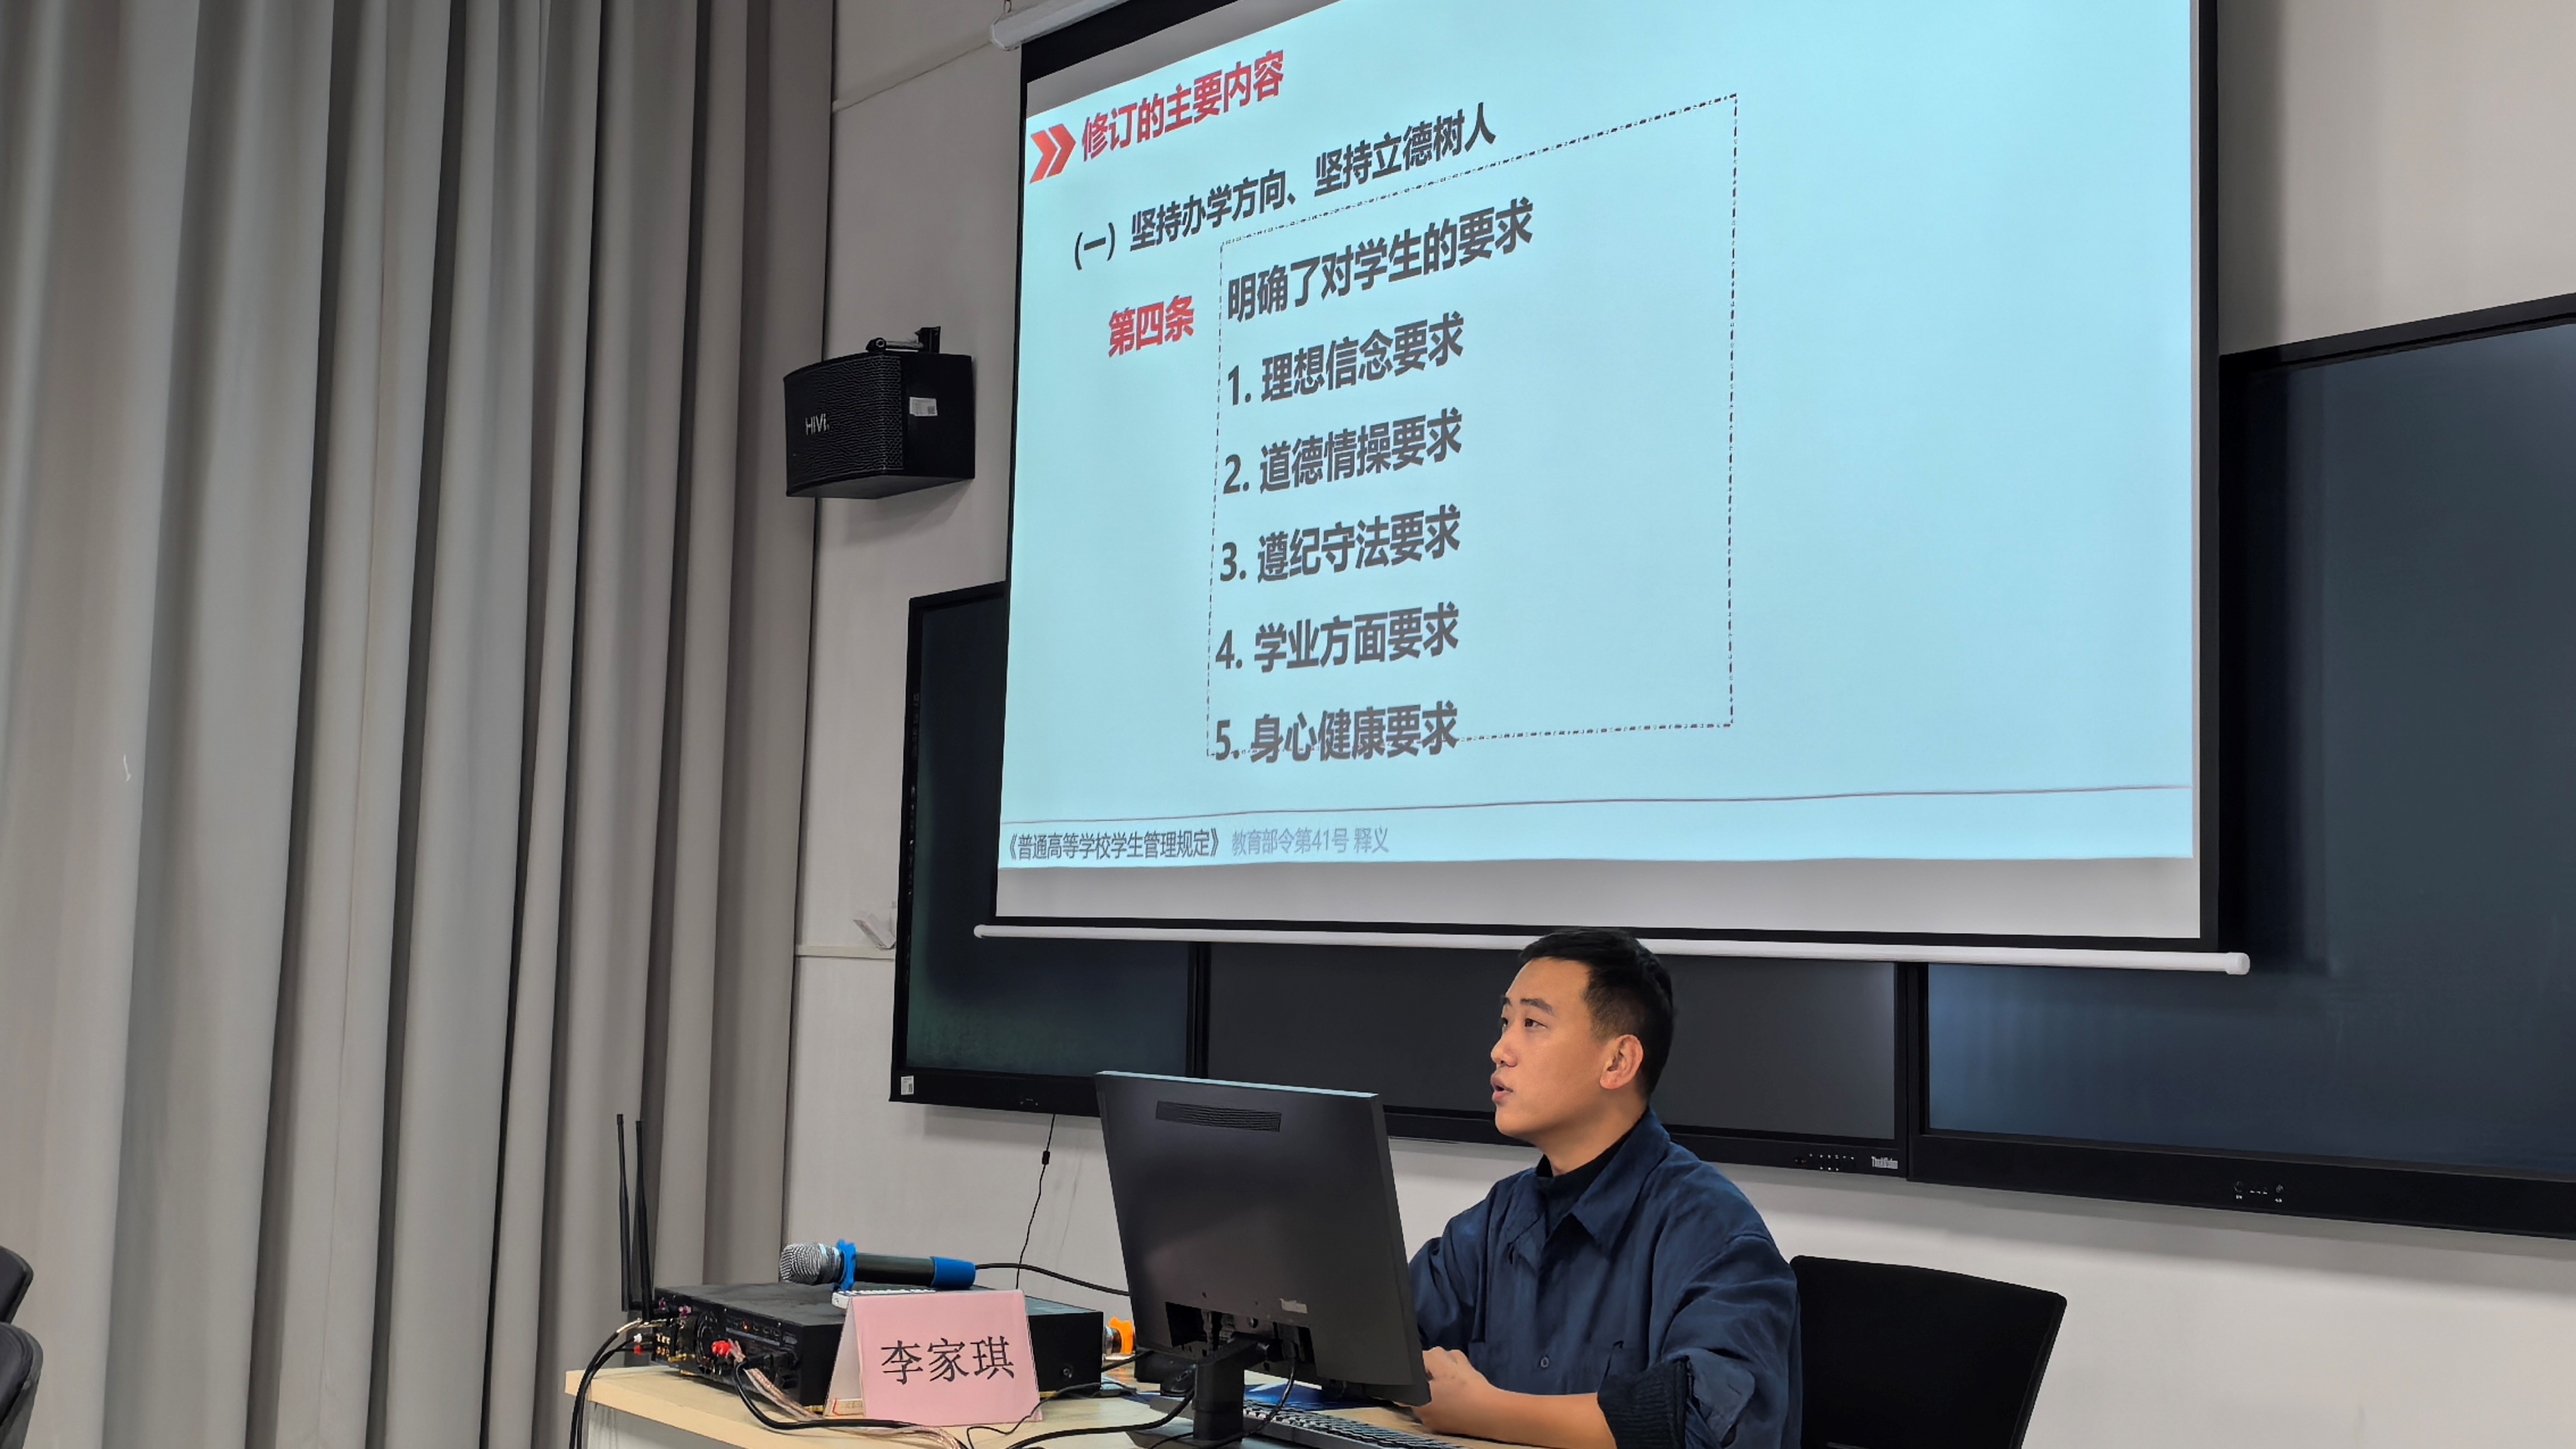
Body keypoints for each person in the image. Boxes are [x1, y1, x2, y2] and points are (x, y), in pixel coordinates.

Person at [1409, 929, 1800, 1449]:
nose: (1500, 1049)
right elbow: (1383, 1337)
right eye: (1505, 1022)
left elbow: (1700, 1421)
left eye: (1533, 1023)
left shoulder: (1714, 1232)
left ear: (1617, 1062)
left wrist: (1485, 1411)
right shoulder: (1499, 1217)